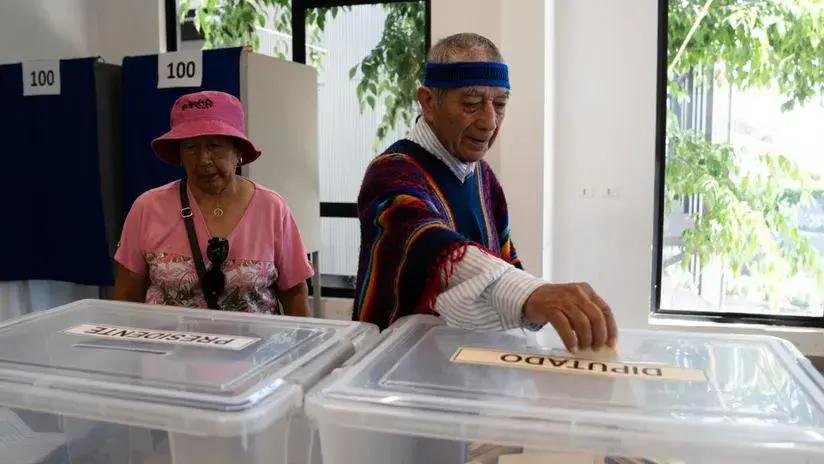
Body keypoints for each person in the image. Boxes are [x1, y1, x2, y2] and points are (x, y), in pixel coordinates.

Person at [354, 33, 617, 352]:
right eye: (471, 104)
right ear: (428, 102)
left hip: (466, 366)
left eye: (500, 105)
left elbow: (506, 262)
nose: (490, 122)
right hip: (394, 371)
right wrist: (530, 293)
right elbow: (427, 244)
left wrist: (533, 310)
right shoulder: (392, 172)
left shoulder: (483, 178)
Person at [113, 90, 313, 315]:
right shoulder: (148, 207)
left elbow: (295, 295)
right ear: (179, 154)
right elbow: (127, 296)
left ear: (237, 150)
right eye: (191, 147)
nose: (204, 160)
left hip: (255, 348)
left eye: (215, 146)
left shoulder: (273, 209)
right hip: (170, 347)